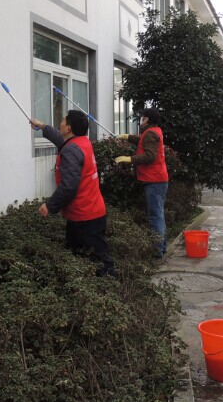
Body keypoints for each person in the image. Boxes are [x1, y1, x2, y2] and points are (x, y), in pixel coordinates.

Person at [30, 110, 115, 277]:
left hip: (84, 217)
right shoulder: (82, 142)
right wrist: (42, 126)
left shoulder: (71, 150)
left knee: (97, 260)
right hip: (90, 211)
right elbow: (61, 140)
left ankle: (110, 285)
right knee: (80, 257)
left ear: (68, 128)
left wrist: (49, 206)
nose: (60, 122)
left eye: (63, 120)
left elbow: (69, 186)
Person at [114, 108, 169, 257]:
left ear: (147, 119)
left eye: (142, 118)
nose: (140, 121)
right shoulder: (154, 131)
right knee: (159, 214)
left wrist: (129, 159)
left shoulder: (150, 133)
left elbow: (150, 155)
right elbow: (143, 142)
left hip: (154, 180)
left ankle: (157, 250)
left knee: (155, 216)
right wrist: (127, 137)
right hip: (158, 179)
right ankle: (162, 247)